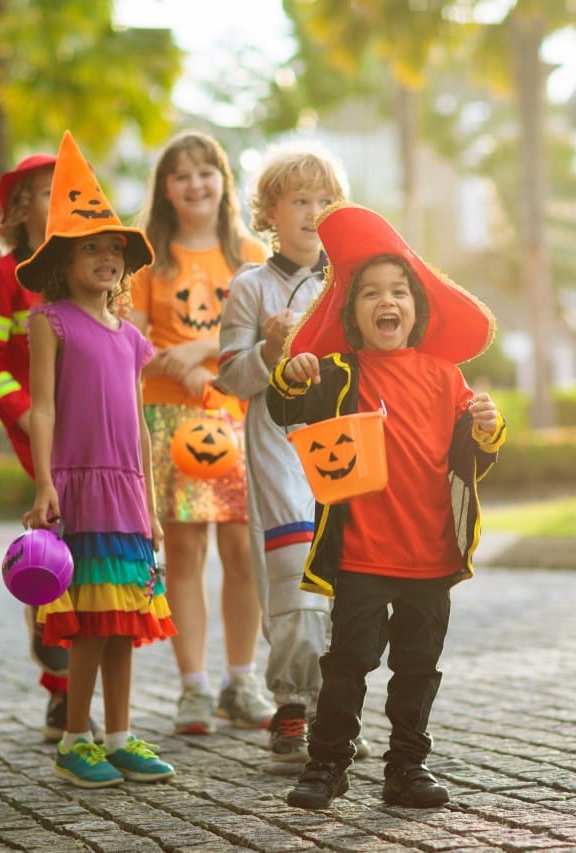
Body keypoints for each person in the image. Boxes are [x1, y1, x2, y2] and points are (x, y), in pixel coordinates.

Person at [265, 203, 506, 810]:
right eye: (370, 292)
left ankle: (406, 768)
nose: (385, 301)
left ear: (417, 308)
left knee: (418, 669)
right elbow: (286, 409)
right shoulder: (338, 374)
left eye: (398, 290)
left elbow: (470, 460)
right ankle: (327, 765)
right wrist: (293, 377)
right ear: (353, 313)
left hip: (431, 555)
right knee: (347, 665)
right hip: (363, 557)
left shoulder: (446, 377)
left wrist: (485, 428)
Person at [19, 131, 177, 788]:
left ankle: (118, 732)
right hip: (79, 490)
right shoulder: (49, 321)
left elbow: (140, 422)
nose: (108, 259)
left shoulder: (132, 337)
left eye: (114, 249)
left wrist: (152, 502)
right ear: (63, 260)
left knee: (122, 619)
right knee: (87, 620)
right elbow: (43, 408)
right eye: (93, 249)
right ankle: (75, 734)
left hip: (126, 494)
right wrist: (46, 482)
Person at [215, 144, 368, 762]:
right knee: (294, 575)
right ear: (268, 212)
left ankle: (334, 710)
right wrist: (269, 351)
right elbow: (229, 378)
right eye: (298, 200)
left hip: (346, 449)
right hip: (278, 451)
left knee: (346, 584)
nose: (313, 212)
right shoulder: (251, 287)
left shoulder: (353, 284)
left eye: (325, 199)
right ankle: (292, 707)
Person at [128, 130, 274, 735]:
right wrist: (177, 365)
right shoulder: (146, 259)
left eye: (206, 172)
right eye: (182, 175)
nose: (195, 184)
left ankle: (242, 681)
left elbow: (267, 330)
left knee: (242, 552)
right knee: (184, 551)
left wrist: (195, 349)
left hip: (236, 414)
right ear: (166, 188)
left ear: (223, 181)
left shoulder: (248, 254)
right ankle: (193, 688)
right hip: (168, 418)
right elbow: (130, 343)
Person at [0, 152, 95, 742]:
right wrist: (22, 417)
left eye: (66, 191)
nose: (58, 202)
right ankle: (60, 686)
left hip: (93, 426)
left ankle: (75, 690)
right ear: (19, 209)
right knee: (55, 549)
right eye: (46, 192)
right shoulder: (1, 278)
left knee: (91, 557)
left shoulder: (85, 267)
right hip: (38, 430)